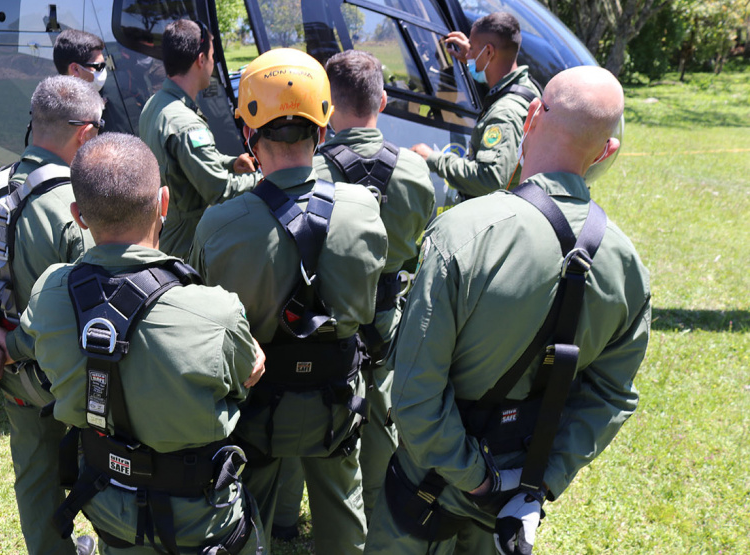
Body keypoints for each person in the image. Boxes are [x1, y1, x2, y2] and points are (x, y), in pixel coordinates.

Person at [365, 66, 651, 555]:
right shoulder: (630, 269)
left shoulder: (462, 232)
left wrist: (478, 477)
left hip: (430, 486)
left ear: (532, 115)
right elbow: (610, 396)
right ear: (608, 151)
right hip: (518, 496)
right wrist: (535, 482)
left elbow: (414, 393)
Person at [0, 132, 267, 554]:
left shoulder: (49, 294)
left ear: (78, 215)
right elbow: (250, 370)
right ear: (164, 204)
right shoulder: (216, 312)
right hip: (203, 521)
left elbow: (22, 344)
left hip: (110, 508)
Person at [189, 48, 388, 555]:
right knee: (343, 512)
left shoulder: (220, 224)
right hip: (337, 401)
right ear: (322, 131)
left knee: (245, 513)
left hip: (256, 404)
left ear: (247, 134)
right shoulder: (365, 210)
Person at [0, 75, 101, 555]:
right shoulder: (79, 211)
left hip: (14, 374)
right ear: (85, 135)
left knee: (34, 474)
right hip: (75, 378)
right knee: (105, 465)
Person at [313, 49, 436, 523]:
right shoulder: (415, 171)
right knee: (381, 411)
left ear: (326, 105)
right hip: (388, 319)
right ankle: (379, 505)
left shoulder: (315, 171)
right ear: (382, 101)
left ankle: (287, 514)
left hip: (328, 320)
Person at [138, 19, 259, 258]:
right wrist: (264, 179)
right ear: (200, 60)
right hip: (188, 244)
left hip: (166, 227)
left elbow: (184, 162)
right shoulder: (186, 125)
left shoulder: (155, 104)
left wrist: (230, 163)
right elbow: (220, 190)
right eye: (212, 56)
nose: (213, 62)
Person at [411, 12, 540, 199]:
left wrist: (434, 159)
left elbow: (489, 180)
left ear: (488, 52)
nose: (468, 53)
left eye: (472, 48)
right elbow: (498, 83)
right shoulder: (528, 89)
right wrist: (471, 59)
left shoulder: (505, 114)